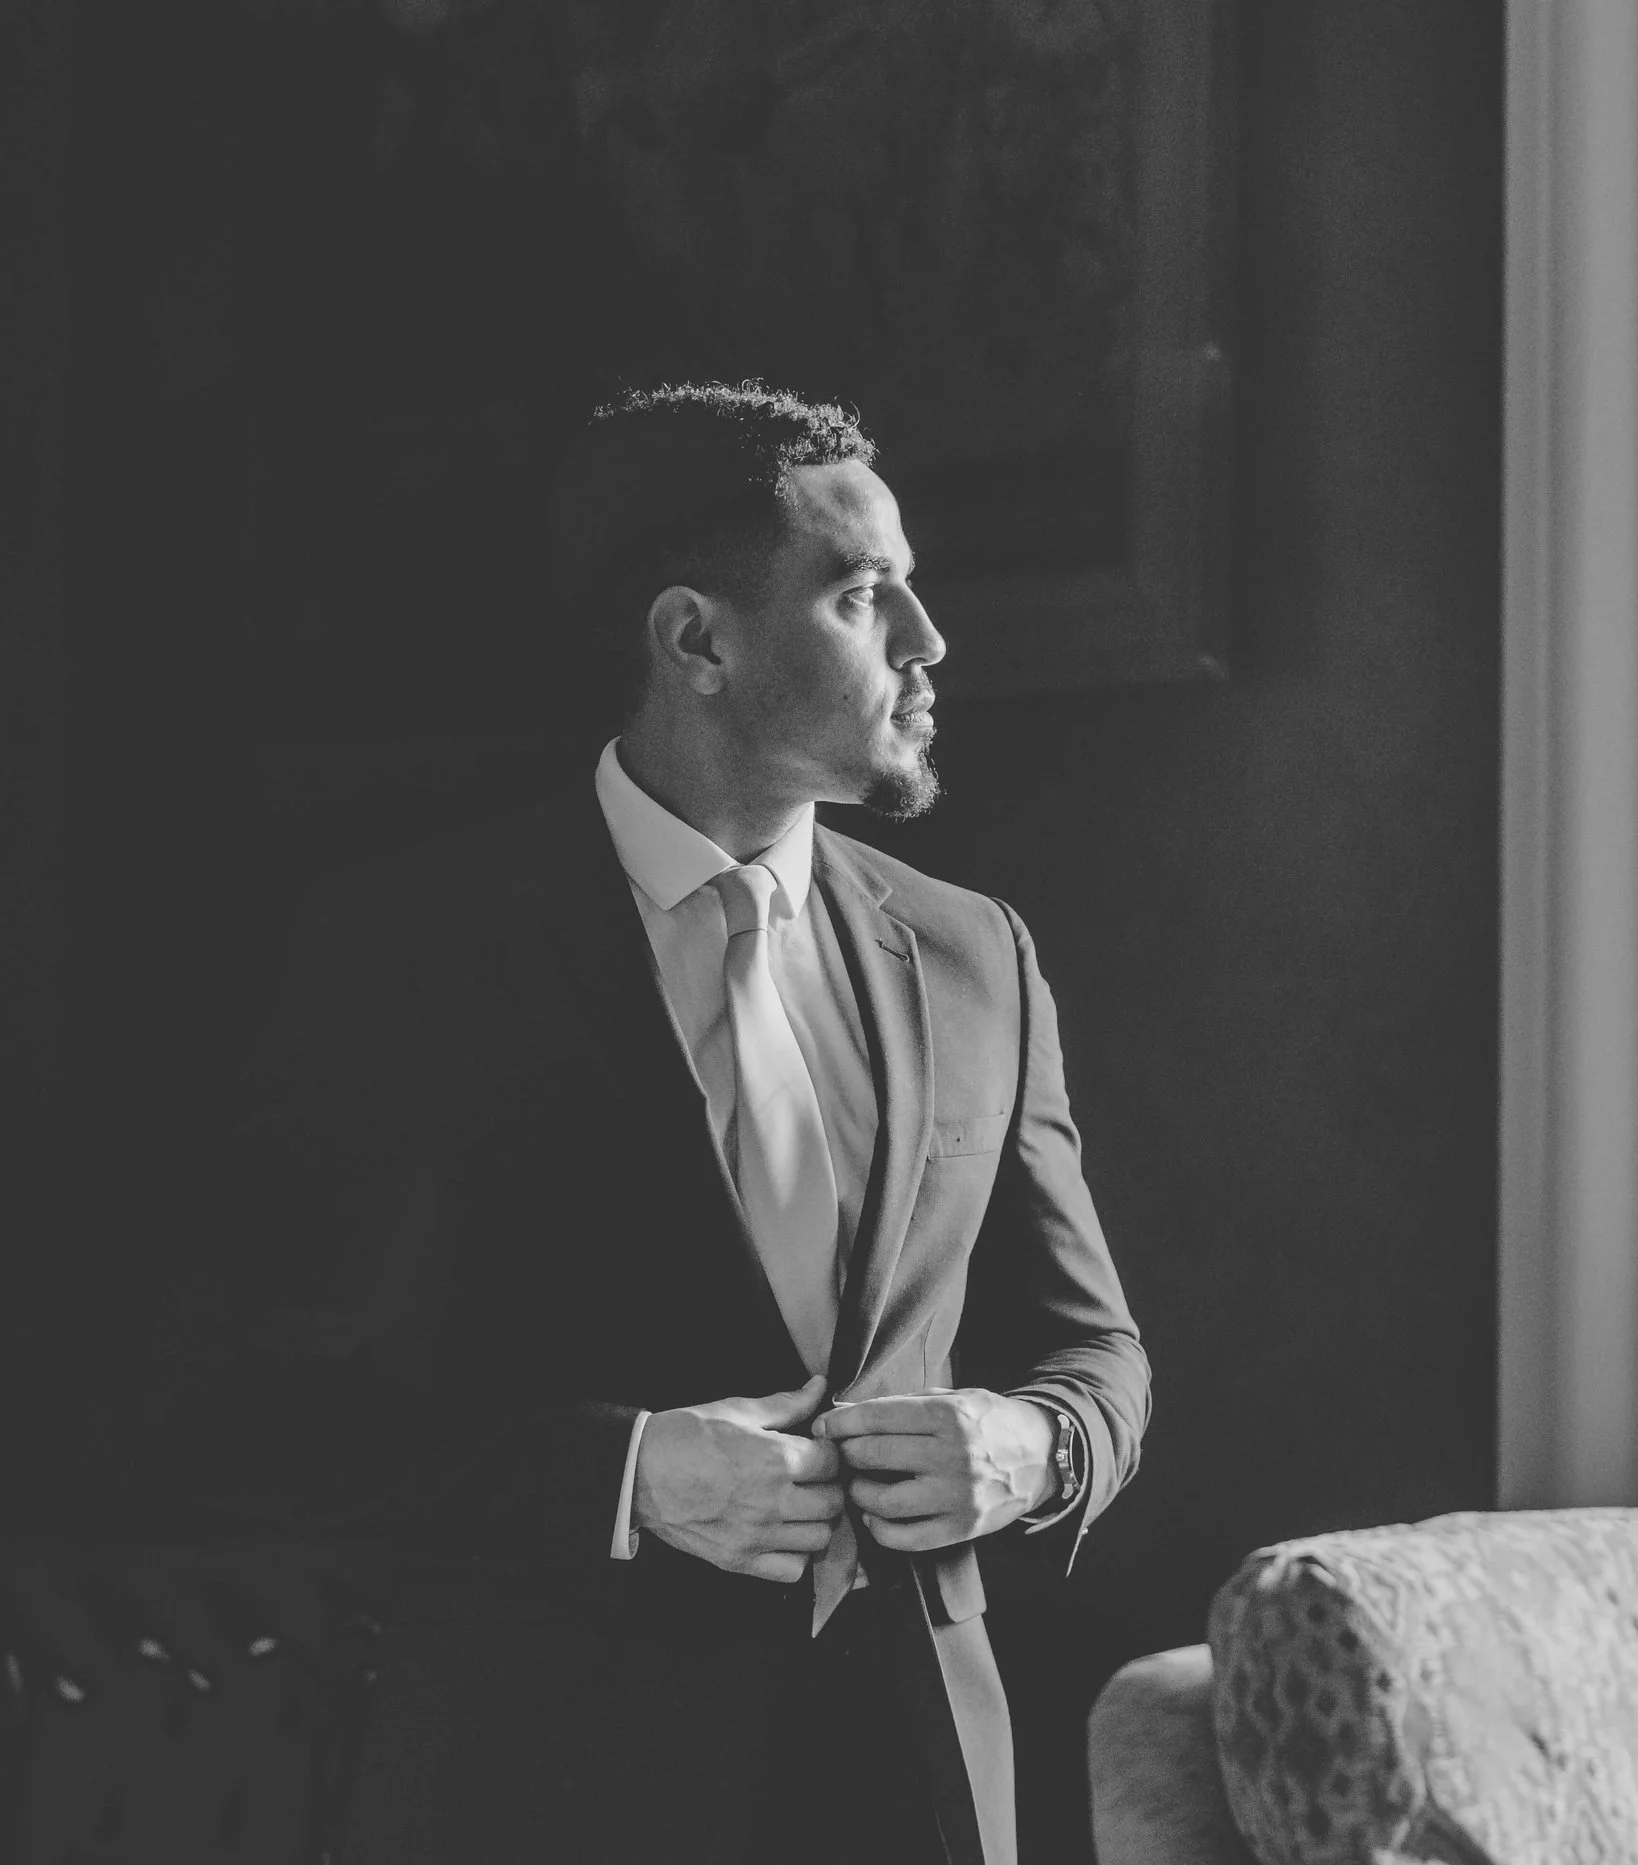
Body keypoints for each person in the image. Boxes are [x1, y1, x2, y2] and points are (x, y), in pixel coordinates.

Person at [175, 380, 1150, 1864]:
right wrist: (625, 1477)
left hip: (917, 1779)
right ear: (696, 639)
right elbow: (242, 1409)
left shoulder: (977, 955)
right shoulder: (405, 953)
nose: (929, 643)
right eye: (864, 594)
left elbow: (1096, 1353)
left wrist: (1038, 1443)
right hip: (552, 1787)